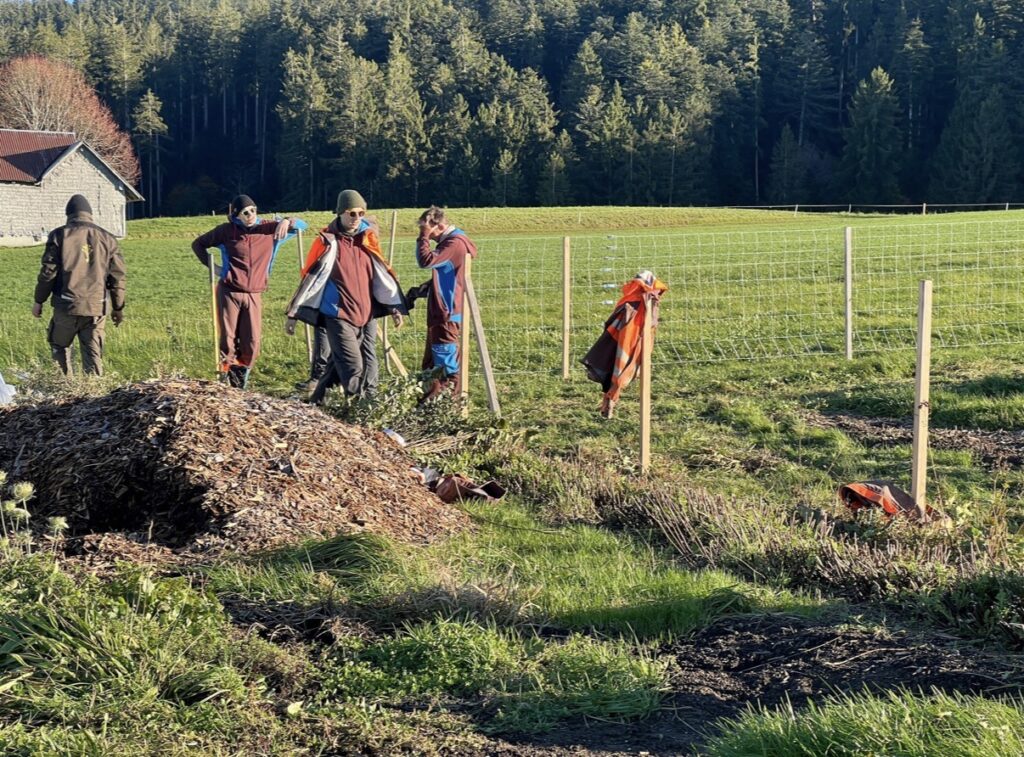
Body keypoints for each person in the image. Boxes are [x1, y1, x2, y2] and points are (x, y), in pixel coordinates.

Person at [285, 189, 406, 403]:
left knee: (348, 363)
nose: (356, 218)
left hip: (365, 313)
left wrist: (394, 307)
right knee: (353, 366)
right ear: (340, 212)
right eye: (352, 213)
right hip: (337, 314)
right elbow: (309, 279)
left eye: (361, 213)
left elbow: (381, 274)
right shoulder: (327, 242)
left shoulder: (368, 240)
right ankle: (359, 411)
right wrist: (293, 314)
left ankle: (317, 402)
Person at [191, 194, 307, 388]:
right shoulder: (226, 231)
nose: (250, 215)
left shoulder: (269, 229)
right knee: (228, 338)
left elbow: (303, 225)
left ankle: (241, 378)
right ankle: (226, 381)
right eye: (245, 212)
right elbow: (198, 244)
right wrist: (216, 269)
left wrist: (287, 221)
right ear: (237, 215)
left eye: (253, 210)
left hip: (254, 292)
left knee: (252, 340)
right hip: (229, 290)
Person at [32, 194, 126, 376]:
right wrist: (118, 308)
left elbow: (48, 273)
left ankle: (64, 391)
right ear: (90, 215)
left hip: (66, 305)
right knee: (93, 353)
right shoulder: (108, 239)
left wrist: (39, 301)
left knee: (59, 347)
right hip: (96, 308)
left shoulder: (59, 235)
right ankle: (93, 395)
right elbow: (117, 277)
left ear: (68, 214)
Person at [409, 205, 478, 400]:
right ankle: (428, 407)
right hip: (441, 311)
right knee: (431, 366)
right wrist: (421, 290)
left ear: (435, 225)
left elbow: (426, 261)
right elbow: (447, 275)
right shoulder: (452, 242)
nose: (427, 237)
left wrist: (423, 235)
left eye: (426, 228)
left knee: (446, 369)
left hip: (446, 313)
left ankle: (449, 409)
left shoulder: (454, 243)